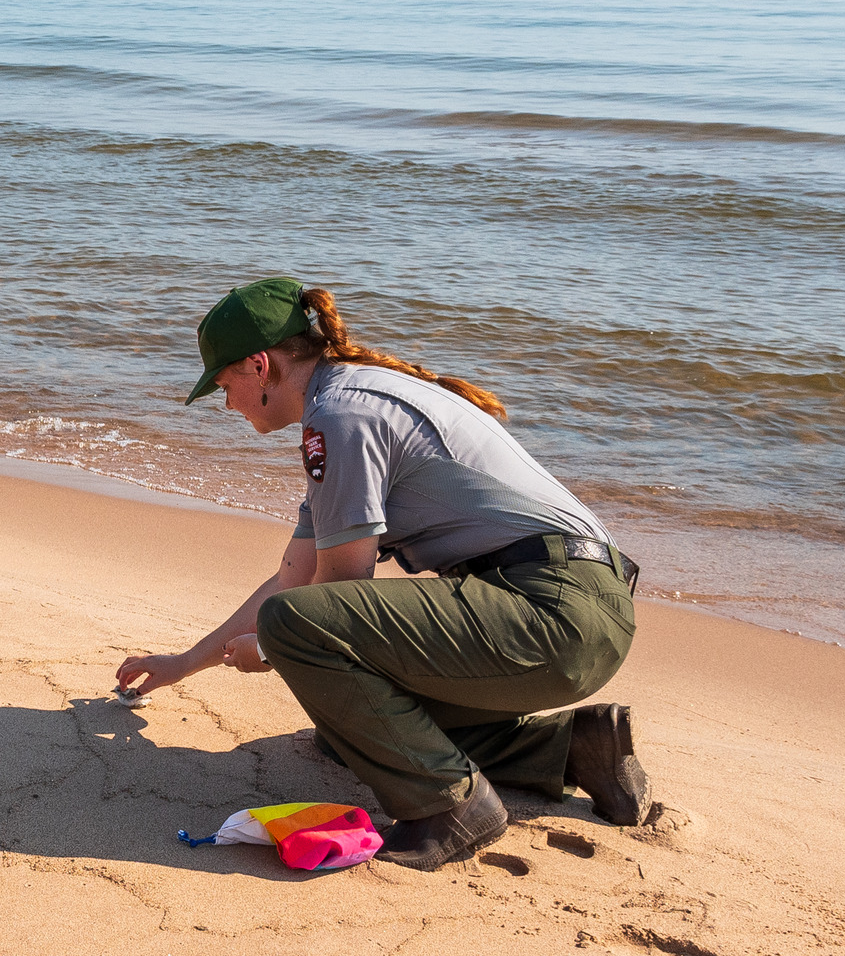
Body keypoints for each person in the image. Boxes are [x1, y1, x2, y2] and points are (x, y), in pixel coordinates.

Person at [113, 277, 652, 870]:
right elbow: (293, 575)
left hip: (555, 613)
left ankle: (451, 807)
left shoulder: (340, 418)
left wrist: (268, 649)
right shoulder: (354, 398)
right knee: (354, 731)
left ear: (260, 365)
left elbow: (337, 592)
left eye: (224, 384)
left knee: (296, 633)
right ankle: (575, 748)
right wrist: (186, 662)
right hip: (575, 608)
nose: (227, 402)